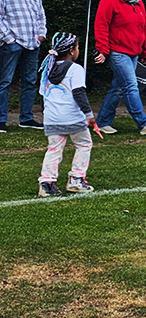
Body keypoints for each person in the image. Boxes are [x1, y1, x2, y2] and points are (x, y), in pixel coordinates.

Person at [94, 0, 146, 136]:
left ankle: (102, 122)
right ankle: (143, 123)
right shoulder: (109, 2)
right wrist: (103, 50)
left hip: (133, 52)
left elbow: (143, 29)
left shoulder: (138, 3)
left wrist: (145, 51)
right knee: (131, 86)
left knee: (118, 89)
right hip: (117, 52)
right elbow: (101, 27)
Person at [36, 33, 94, 196]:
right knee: (84, 144)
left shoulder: (47, 68)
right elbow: (79, 92)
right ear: (71, 50)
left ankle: (46, 183)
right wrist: (88, 114)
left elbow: (42, 95)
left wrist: (46, 113)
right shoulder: (76, 69)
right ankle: (76, 179)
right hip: (72, 117)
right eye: (77, 47)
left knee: (54, 149)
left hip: (52, 118)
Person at [1, 0, 47, 131]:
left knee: (30, 82)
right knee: (5, 82)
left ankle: (26, 118)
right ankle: (1, 120)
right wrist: (9, 39)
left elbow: (41, 15)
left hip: (32, 43)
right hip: (12, 44)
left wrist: (41, 34)